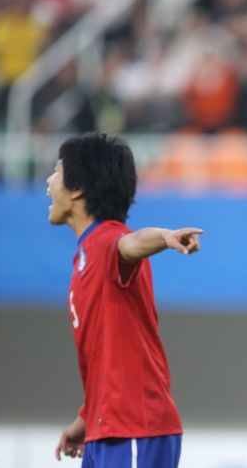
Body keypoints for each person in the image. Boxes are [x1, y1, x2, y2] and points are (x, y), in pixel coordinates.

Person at [49, 133, 201, 467]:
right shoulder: (86, 253)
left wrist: (165, 236)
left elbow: (131, 244)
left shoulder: (109, 240)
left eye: (57, 172)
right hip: (104, 430)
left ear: (77, 190)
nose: (49, 182)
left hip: (134, 429)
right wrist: (87, 416)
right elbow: (106, 354)